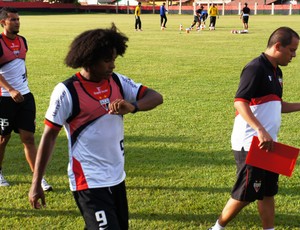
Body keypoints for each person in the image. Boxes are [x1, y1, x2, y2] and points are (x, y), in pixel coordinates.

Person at [28, 23, 163, 230]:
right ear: (89, 60)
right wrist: (36, 183)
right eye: (107, 60)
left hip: (117, 176)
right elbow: (49, 136)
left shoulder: (117, 82)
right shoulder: (67, 91)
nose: (113, 66)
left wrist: (133, 106)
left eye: (114, 60)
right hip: (88, 179)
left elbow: (156, 97)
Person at [208, 27, 299, 230]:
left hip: (267, 144)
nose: (294, 55)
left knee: (268, 192)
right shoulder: (255, 68)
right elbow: (240, 102)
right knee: (246, 193)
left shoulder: (277, 71)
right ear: (278, 46)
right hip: (250, 143)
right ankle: (216, 228)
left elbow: (276, 105)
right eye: (292, 50)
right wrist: (260, 129)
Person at [0, 7, 52, 191]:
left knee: (29, 138)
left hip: (25, 97)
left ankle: (39, 179)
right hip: (4, 99)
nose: (17, 22)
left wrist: (22, 85)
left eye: (18, 19)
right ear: (3, 22)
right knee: (2, 138)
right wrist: (11, 89)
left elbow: (21, 64)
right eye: (13, 19)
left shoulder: (23, 41)